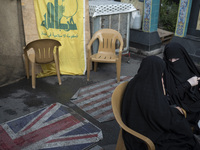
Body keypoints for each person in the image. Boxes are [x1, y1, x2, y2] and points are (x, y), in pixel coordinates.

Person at [121, 56, 200, 150]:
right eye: (161, 75)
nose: (162, 79)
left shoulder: (136, 82)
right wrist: (175, 112)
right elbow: (160, 117)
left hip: (139, 123)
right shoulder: (149, 91)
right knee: (183, 136)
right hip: (144, 135)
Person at [163, 42, 200, 133]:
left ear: (183, 56)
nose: (173, 62)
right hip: (183, 107)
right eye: (170, 59)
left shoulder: (188, 66)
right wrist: (188, 83)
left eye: (176, 58)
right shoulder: (165, 73)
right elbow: (171, 95)